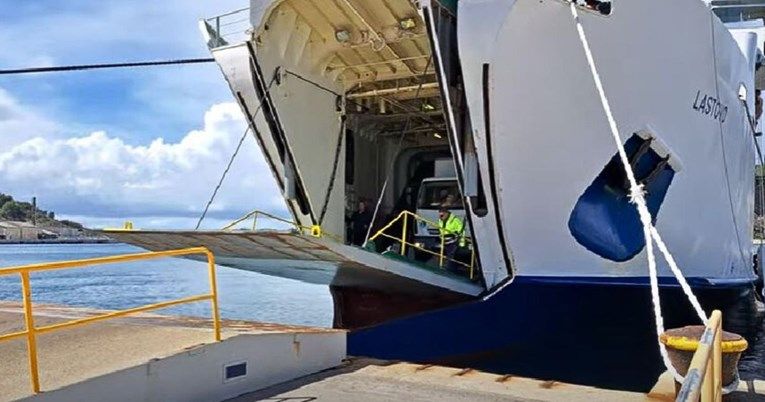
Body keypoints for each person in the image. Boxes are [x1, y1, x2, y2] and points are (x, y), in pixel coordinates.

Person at [437, 205, 465, 273]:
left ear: (446, 213)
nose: (441, 215)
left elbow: (462, 231)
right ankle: (447, 268)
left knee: (450, 256)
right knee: (445, 256)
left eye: (442, 213)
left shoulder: (455, 220)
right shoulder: (440, 220)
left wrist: (462, 243)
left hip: (453, 241)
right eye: (440, 213)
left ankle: (448, 270)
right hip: (444, 241)